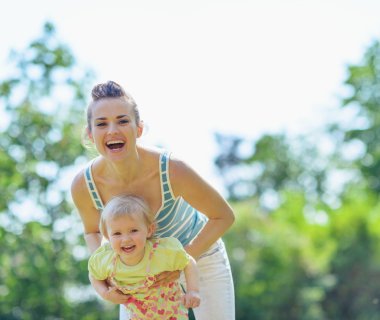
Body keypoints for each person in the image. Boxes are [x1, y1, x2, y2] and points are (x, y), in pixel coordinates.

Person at [71, 80, 235, 320]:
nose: (112, 130)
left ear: (139, 129)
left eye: (123, 121)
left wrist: (180, 262)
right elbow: (91, 232)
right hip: (136, 269)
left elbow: (224, 216)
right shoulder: (84, 185)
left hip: (199, 256)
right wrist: (106, 273)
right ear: (90, 133)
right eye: (101, 124)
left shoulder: (171, 169)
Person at [88, 194, 200, 319]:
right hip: (138, 316)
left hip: (172, 314)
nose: (126, 239)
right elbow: (93, 274)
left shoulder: (161, 252)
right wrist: (104, 293)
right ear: (107, 236)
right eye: (117, 233)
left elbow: (188, 262)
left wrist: (192, 290)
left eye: (134, 230)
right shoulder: (106, 259)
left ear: (149, 230)